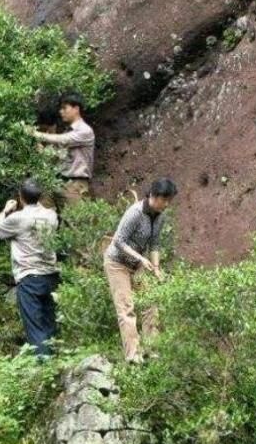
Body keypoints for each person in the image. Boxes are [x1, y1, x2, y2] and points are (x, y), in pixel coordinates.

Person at [103, 178, 178, 364]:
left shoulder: (159, 216)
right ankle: (133, 356)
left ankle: (152, 351)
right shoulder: (135, 213)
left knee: (150, 304)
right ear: (153, 195)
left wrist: (157, 269)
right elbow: (118, 241)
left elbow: (154, 244)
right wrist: (141, 258)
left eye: (169, 200)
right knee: (126, 309)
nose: (167, 204)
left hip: (137, 265)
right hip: (117, 263)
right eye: (164, 199)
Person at [0, 178, 60, 357]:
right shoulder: (51, 215)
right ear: (39, 196)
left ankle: (44, 369)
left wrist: (5, 210)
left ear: (21, 197)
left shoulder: (18, 218)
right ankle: (54, 364)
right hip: (51, 274)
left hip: (29, 277)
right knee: (49, 323)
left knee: (36, 328)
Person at [26, 93, 95, 206]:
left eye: (64, 108)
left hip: (75, 185)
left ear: (76, 109)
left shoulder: (85, 131)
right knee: (42, 217)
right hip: (56, 181)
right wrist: (40, 148)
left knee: (74, 221)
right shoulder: (68, 131)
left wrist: (34, 133)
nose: (61, 111)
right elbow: (56, 157)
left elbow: (62, 140)